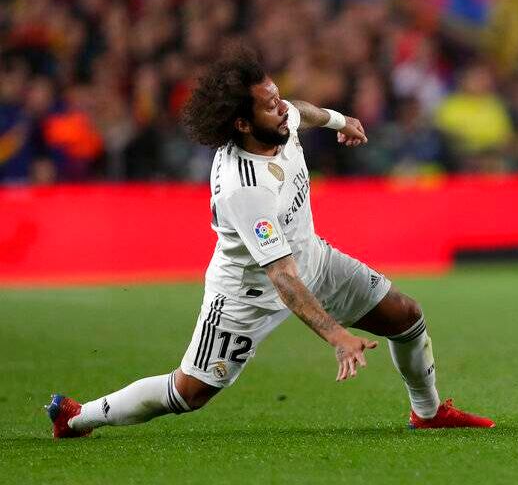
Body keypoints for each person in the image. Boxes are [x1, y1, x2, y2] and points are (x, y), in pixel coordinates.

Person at [47, 47, 494, 437]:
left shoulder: (279, 120)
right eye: (269, 105)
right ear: (242, 123)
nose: (281, 109)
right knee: (189, 392)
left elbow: (302, 110)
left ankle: (427, 413)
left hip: (313, 261)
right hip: (248, 296)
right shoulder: (244, 187)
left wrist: (342, 120)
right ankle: (78, 417)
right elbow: (281, 277)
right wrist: (337, 335)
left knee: (406, 315)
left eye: (276, 96)